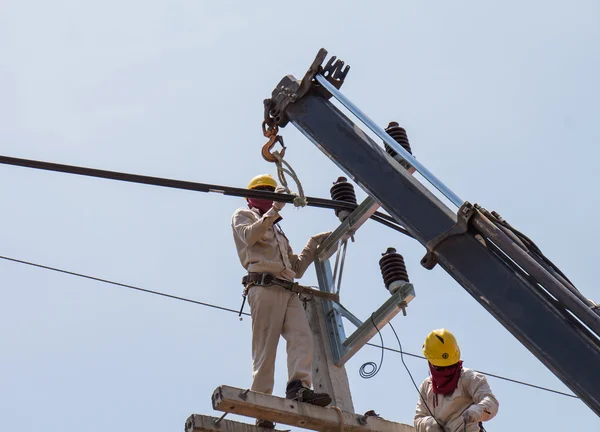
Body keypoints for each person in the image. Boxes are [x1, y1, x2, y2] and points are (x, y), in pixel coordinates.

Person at [231, 173, 333, 429]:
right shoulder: (243, 215)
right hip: (263, 287)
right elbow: (249, 237)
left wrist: (313, 243)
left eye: (271, 191)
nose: (269, 196)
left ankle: (299, 387)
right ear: (253, 196)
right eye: (265, 191)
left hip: (287, 289)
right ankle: (263, 410)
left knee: (303, 338)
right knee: (266, 349)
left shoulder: (278, 230)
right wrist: (274, 210)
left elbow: (296, 268)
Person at [414, 329, 499, 432]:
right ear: (430, 363)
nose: (447, 371)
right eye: (441, 368)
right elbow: (418, 419)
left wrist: (478, 411)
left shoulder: (469, 378)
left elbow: (491, 402)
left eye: (450, 366)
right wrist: (428, 424)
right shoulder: (426, 386)